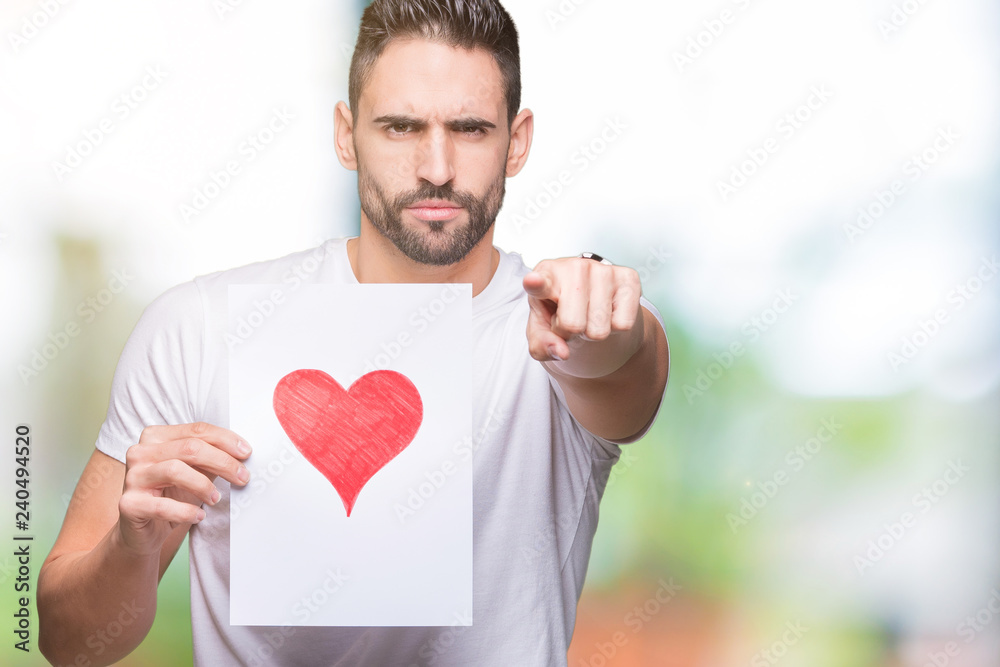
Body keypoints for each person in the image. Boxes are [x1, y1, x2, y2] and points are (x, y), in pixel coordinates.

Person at [38, 0, 670, 664]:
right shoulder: (200, 328)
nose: (436, 167)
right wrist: (129, 545)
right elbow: (67, 643)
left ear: (517, 141)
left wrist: (606, 328)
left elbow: (627, 373)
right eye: (400, 127)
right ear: (346, 135)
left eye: (471, 129)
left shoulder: (557, 327)